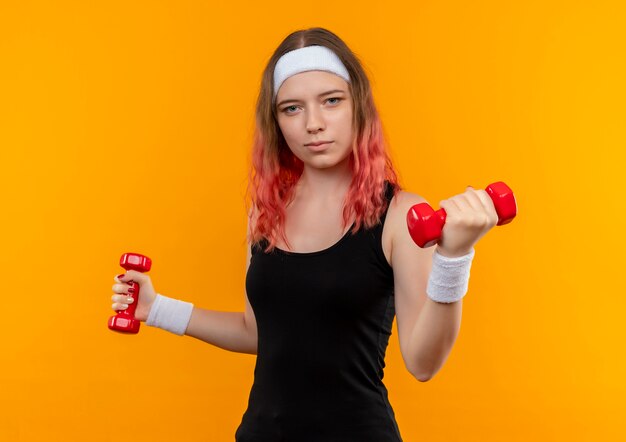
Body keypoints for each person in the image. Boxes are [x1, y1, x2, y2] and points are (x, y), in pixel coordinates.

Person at [110, 27, 499, 441]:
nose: (313, 124)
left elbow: (423, 363)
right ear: (276, 122)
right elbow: (258, 332)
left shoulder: (400, 214)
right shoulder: (265, 210)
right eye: (292, 108)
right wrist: (156, 310)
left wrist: (454, 258)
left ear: (359, 107)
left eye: (331, 101)